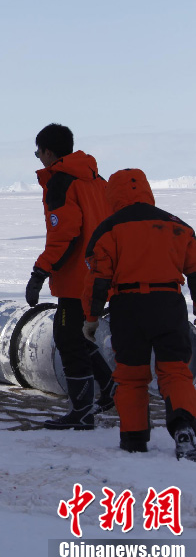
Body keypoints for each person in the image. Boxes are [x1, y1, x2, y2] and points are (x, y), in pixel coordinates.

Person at [82, 168, 196, 459]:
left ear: (113, 195)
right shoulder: (179, 227)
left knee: (131, 376)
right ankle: (185, 428)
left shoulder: (107, 230)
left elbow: (98, 280)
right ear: (147, 191)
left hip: (128, 308)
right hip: (169, 304)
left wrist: (92, 318)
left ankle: (133, 439)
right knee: (175, 371)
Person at [25, 124, 114, 430]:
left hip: (78, 278)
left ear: (48, 151)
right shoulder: (96, 180)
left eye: (38, 151)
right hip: (100, 275)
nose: (37, 157)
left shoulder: (61, 182)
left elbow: (64, 235)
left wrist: (40, 271)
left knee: (68, 339)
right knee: (79, 335)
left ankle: (82, 412)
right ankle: (110, 387)